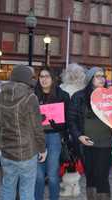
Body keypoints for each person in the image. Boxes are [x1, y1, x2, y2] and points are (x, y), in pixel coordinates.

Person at [0, 65, 46, 200]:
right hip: (26, 151)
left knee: (8, 187)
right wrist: (42, 149)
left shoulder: (0, 94)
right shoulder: (30, 97)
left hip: (6, 150)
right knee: (26, 190)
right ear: (27, 78)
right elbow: (37, 128)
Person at [69, 67, 112, 200]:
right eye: (97, 76)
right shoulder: (79, 96)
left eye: (103, 76)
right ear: (90, 79)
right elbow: (72, 120)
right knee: (91, 176)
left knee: (102, 176)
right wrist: (78, 136)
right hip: (86, 143)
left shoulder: (110, 96)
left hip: (105, 142)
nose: (101, 79)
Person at [34, 67, 70, 200]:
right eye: (41, 76)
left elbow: (69, 119)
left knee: (53, 174)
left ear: (53, 78)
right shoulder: (34, 95)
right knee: (38, 175)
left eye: (47, 76)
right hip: (37, 137)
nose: (44, 79)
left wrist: (60, 125)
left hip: (55, 136)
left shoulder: (63, 95)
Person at [60, 63, 86, 197]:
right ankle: (74, 186)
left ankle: (67, 185)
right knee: (75, 157)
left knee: (66, 156)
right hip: (78, 129)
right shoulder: (84, 90)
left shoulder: (61, 88)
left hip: (63, 128)